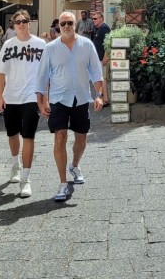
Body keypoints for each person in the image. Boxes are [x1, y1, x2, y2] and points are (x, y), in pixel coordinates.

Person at [35, 11, 105, 203]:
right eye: (63, 23)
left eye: (69, 23)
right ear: (59, 25)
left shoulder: (86, 45)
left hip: (81, 98)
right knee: (60, 137)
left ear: (76, 24)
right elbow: (42, 77)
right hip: (59, 99)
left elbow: (96, 72)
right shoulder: (50, 49)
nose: (66, 26)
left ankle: (74, 165)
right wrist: (41, 102)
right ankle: (63, 183)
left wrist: (99, 95)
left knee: (81, 139)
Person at [0, 12, 46, 198]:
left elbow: (46, 73)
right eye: (18, 22)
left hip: (31, 97)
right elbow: (0, 73)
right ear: (13, 25)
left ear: (29, 24)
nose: (22, 24)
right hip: (11, 97)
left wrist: (44, 98)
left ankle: (26, 179)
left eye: (24, 21)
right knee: (12, 134)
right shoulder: (8, 46)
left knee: (29, 136)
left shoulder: (40, 44)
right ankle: (15, 164)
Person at [91, 12, 112, 101]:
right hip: (98, 58)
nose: (93, 20)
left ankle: (105, 99)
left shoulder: (104, 28)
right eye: (92, 19)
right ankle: (103, 98)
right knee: (100, 78)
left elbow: (108, 43)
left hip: (102, 58)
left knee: (102, 78)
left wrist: (105, 57)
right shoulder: (98, 29)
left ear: (101, 19)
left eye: (95, 19)